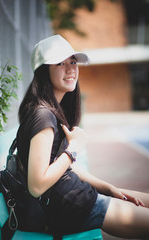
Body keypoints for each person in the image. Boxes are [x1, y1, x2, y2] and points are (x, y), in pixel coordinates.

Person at [17, 34, 149, 238]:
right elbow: (36, 186)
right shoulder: (43, 116)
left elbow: (61, 166)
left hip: (74, 196)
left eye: (73, 61)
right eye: (60, 63)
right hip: (72, 206)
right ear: (44, 71)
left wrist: (108, 187)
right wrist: (73, 148)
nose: (71, 69)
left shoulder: (50, 110)